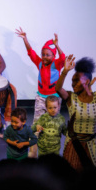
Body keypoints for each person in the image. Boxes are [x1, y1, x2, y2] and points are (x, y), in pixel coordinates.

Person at [16, 28, 65, 157]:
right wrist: (25, 39)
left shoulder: (56, 65)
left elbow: (63, 57)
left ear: (53, 56)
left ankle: (52, 149)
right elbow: (30, 52)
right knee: (37, 124)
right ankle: (32, 151)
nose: (44, 57)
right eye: (43, 54)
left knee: (53, 122)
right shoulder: (39, 63)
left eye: (47, 55)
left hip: (54, 98)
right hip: (41, 97)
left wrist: (57, 45)